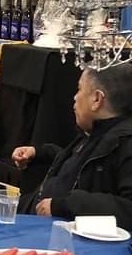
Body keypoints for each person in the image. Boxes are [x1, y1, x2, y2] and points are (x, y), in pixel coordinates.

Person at [12, 63, 132, 225]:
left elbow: (128, 208)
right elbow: (79, 166)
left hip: (56, 231)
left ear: (97, 99)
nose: (75, 97)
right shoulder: (95, 132)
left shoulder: (125, 143)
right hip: (30, 212)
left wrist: (64, 205)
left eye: (79, 89)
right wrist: (39, 153)